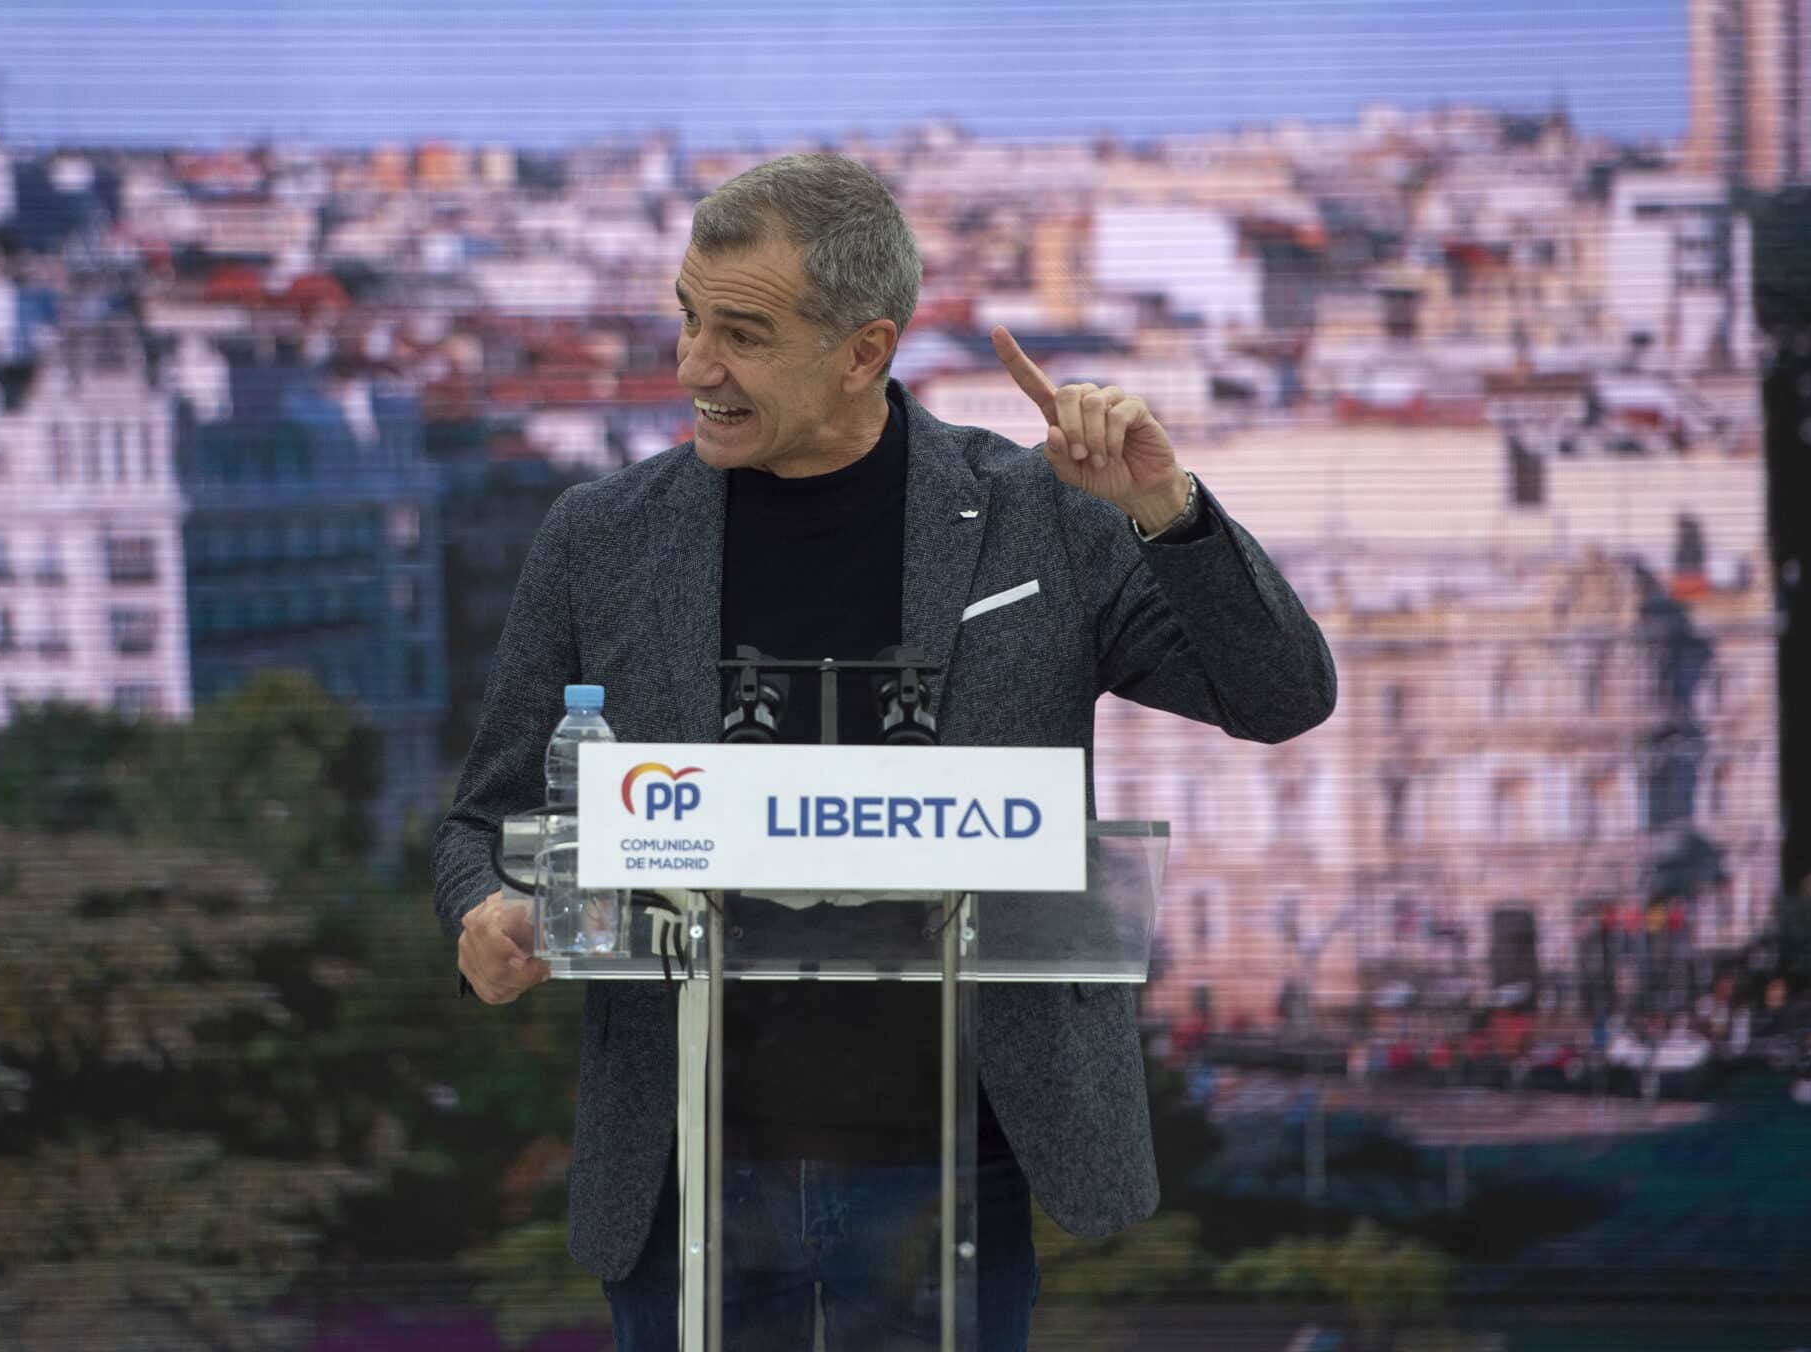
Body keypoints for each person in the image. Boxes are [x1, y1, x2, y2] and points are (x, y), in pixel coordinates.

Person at [434, 153, 1336, 1350]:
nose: (693, 365)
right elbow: (482, 820)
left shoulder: (1042, 516)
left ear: (862, 350)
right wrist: (484, 911)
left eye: (740, 334)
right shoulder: (599, 537)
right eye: (687, 318)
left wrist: (1164, 509)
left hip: (956, 1161)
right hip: (681, 1154)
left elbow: (1278, 696)